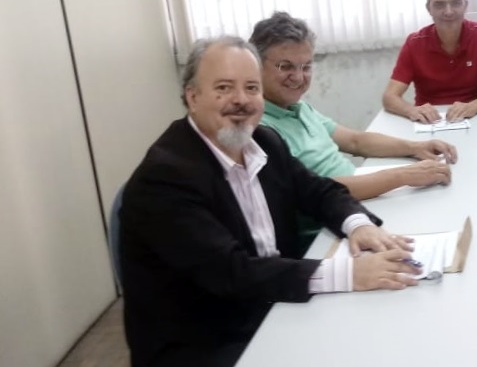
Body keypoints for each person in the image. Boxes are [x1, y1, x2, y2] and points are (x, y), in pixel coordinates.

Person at [120, 37, 422, 367]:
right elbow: (232, 273)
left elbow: (318, 191)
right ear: (193, 97)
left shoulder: (263, 141)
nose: (240, 100)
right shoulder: (165, 177)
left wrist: (359, 225)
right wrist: (351, 273)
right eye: (223, 88)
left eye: (251, 88)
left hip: (272, 304)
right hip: (209, 339)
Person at [251, 12, 455, 245]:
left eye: (306, 67)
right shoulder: (261, 130)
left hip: (356, 204)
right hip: (327, 231)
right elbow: (318, 192)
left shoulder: (299, 107)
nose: (298, 77)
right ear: (256, 66)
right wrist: (404, 176)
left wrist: (415, 147)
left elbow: (355, 141)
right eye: (285, 66)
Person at [382, 0, 477, 123]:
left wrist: (475, 106)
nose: (448, 12)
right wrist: (412, 110)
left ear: (465, 5)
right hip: (430, 121)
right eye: (439, 5)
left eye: (456, 3)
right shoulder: (414, 43)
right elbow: (389, 97)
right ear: (428, 8)